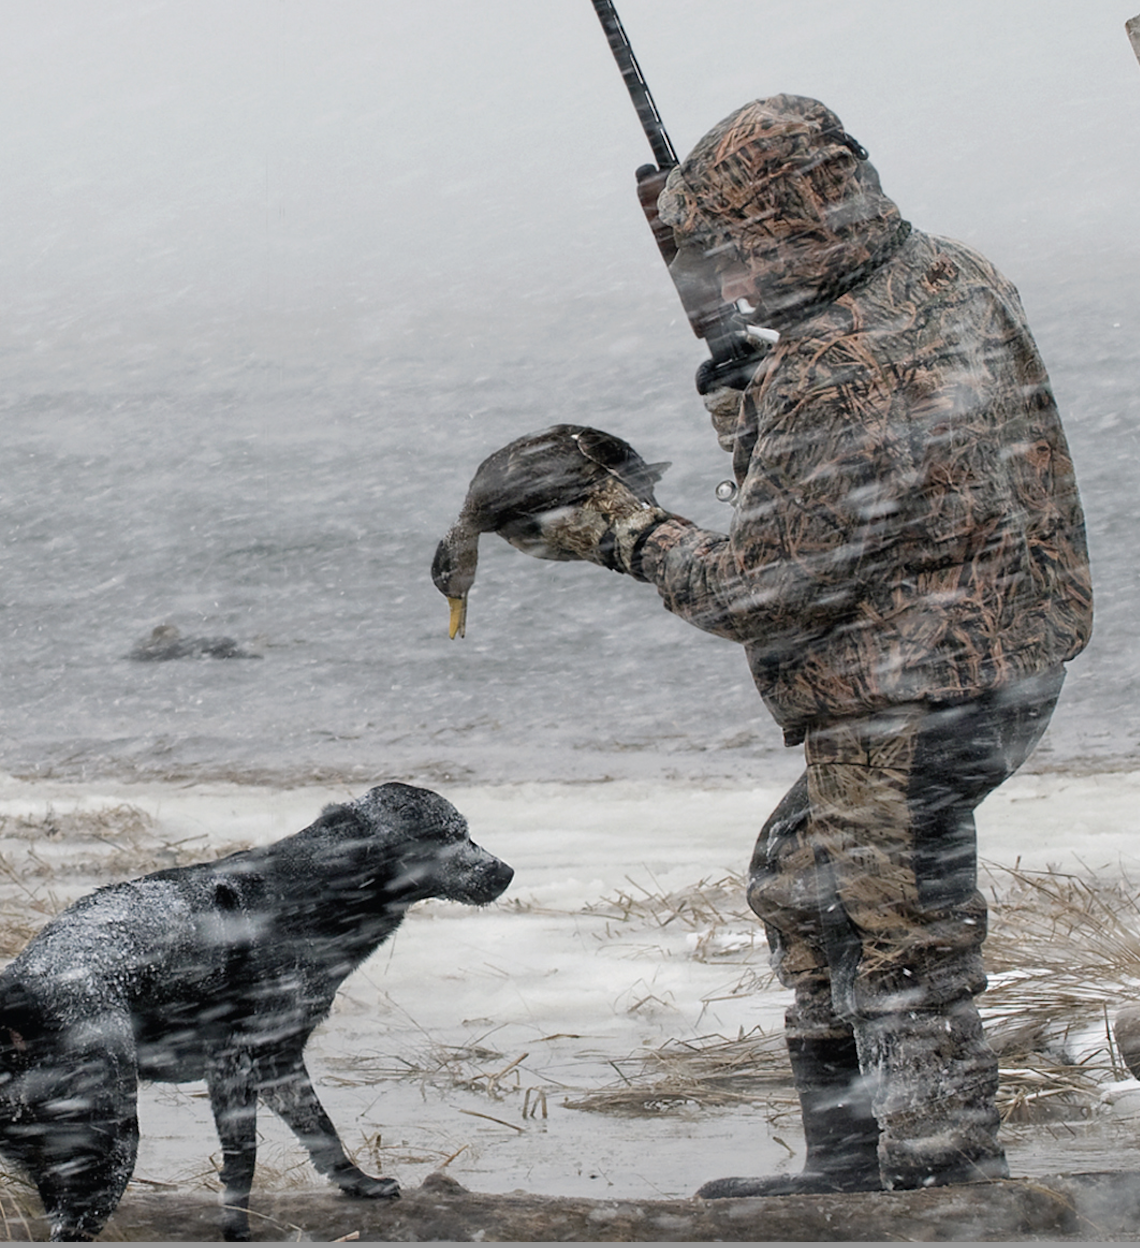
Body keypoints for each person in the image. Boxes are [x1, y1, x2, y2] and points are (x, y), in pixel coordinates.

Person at [513, 95, 1093, 1194]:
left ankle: (942, 1186)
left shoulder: (828, 364)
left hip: (911, 688)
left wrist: (611, 525)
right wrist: (744, 393)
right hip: (1007, 661)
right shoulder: (948, 276)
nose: (722, 273)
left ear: (777, 229)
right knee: (804, 881)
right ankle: (853, 1167)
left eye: (730, 245)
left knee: (897, 937)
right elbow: (881, 473)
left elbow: (761, 589)